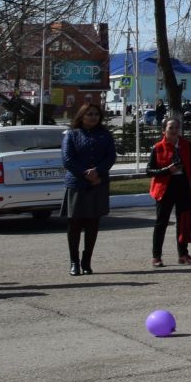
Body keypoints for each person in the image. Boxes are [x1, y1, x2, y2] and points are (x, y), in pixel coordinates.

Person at [61, 101, 116, 276]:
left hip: (98, 183)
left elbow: (111, 157)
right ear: (82, 116)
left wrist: (97, 172)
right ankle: (74, 262)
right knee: (75, 224)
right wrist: (86, 174)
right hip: (77, 184)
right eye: (89, 114)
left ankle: (87, 261)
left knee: (93, 224)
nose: (93, 117)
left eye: (96, 114)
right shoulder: (72, 134)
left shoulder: (105, 134)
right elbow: (67, 159)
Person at [148, 114, 191, 268]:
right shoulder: (158, 147)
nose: (174, 130)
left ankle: (183, 253)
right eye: (171, 128)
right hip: (165, 188)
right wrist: (166, 170)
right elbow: (149, 171)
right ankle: (156, 256)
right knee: (161, 223)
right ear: (164, 130)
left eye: (177, 127)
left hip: (183, 186)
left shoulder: (187, 145)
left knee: (183, 222)